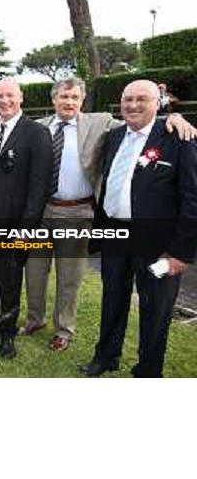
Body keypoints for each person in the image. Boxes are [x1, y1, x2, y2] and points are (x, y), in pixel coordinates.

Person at [24, 77, 197, 352]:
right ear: (53, 99)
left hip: (78, 212)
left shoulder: (101, 123)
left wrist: (173, 116)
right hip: (42, 212)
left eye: (74, 97)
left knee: (69, 278)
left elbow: (143, 121)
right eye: (63, 97)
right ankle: (35, 319)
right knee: (34, 272)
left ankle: (63, 329)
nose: (69, 102)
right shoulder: (38, 127)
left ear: (82, 101)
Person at [81, 80, 197, 378]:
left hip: (159, 247)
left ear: (158, 102)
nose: (132, 105)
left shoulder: (177, 138)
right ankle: (106, 356)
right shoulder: (115, 136)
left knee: (155, 309)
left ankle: (147, 371)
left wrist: (181, 253)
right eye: (127, 99)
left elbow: (192, 199)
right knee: (113, 300)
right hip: (116, 238)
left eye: (141, 99)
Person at [0, 79, 53, 359]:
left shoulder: (36, 133)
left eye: (9, 96)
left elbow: (39, 187)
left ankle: (7, 334)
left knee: (10, 279)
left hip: (15, 223)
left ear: (21, 98)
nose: (4, 101)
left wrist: (26, 229)